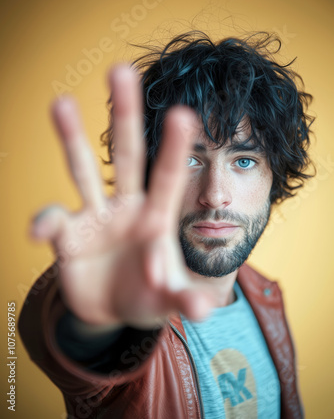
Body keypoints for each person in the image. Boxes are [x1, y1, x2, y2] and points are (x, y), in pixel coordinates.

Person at [19, 31, 314, 419]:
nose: (214, 195)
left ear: (274, 178)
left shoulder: (266, 297)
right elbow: (82, 361)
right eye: (188, 160)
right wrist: (96, 325)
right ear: (148, 174)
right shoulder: (126, 302)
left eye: (243, 161)